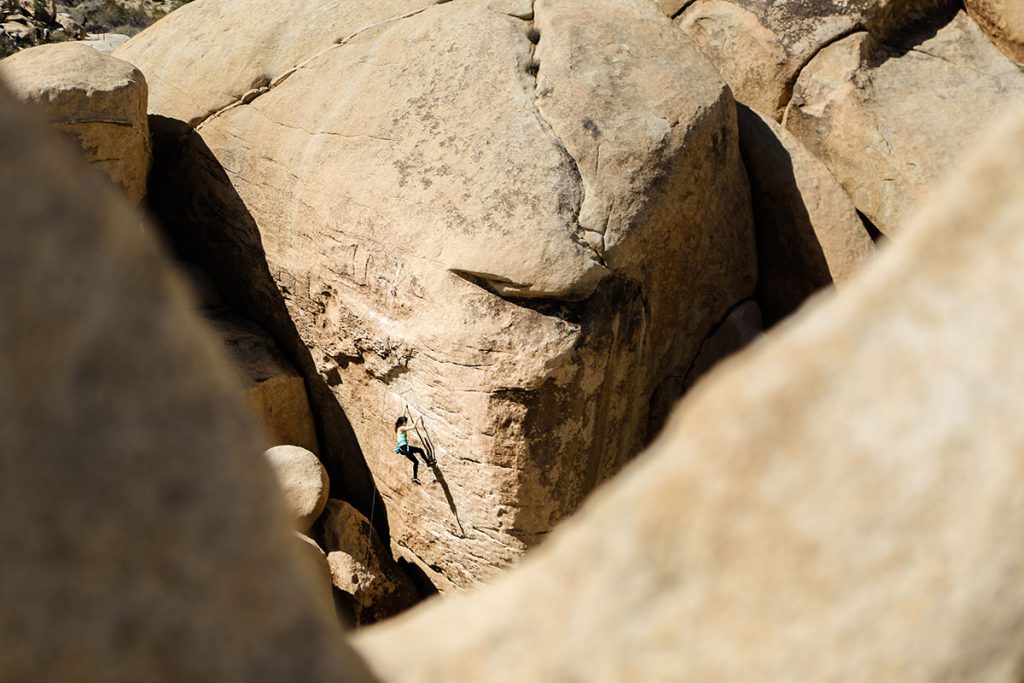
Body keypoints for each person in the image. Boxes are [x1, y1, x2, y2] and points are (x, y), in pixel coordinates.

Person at [395, 416, 435, 483]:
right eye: (406, 422)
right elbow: (413, 427)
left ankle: (415, 478)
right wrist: (417, 418)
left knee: (416, 462)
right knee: (420, 450)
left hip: (403, 449)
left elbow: (402, 415)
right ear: (403, 422)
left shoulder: (399, 428)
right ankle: (428, 462)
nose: (406, 423)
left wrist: (405, 407)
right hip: (404, 447)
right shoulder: (401, 428)